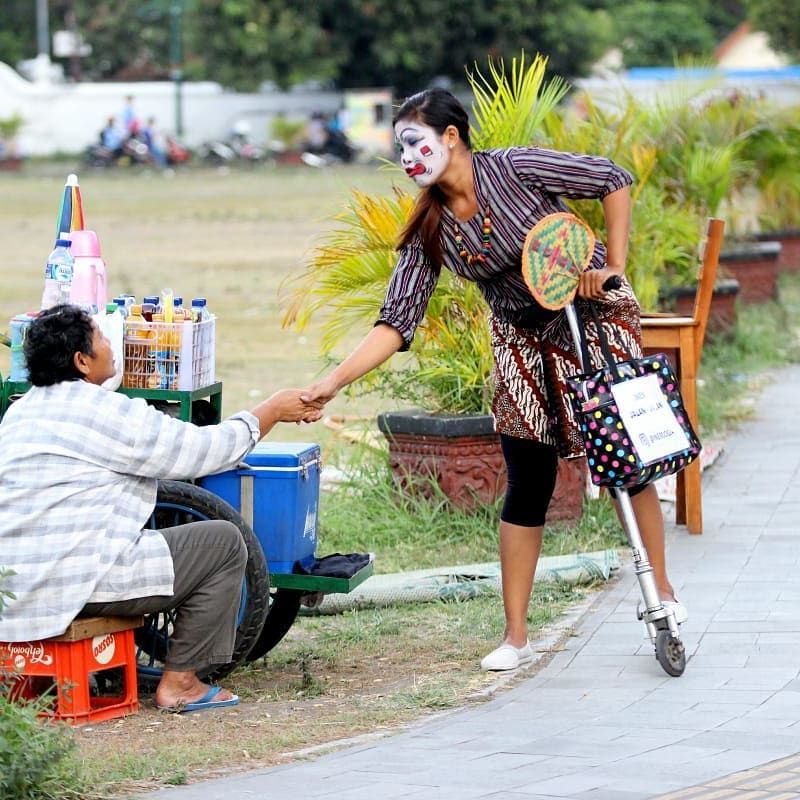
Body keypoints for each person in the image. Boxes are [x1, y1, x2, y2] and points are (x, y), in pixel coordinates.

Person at [301, 88, 687, 672]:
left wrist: (613, 266)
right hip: (520, 336)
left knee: (622, 461)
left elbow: (613, 177)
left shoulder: (513, 167)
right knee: (527, 474)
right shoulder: (430, 225)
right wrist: (333, 381)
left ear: (451, 136)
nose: (407, 158)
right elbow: (396, 321)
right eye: (399, 147)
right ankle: (516, 635)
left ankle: (663, 595)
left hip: (591, 311)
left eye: (414, 142)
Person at [0, 305, 323, 710]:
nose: (109, 344)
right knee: (223, 543)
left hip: (12, 589)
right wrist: (271, 411)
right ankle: (181, 684)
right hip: (74, 578)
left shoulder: (20, 412)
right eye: (100, 337)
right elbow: (203, 451)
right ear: (82, 361)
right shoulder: (102, 410)